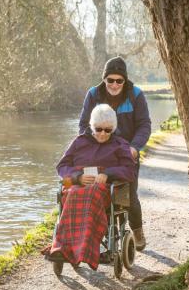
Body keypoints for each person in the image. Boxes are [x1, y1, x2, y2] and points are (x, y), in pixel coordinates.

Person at [43, 104, 135, 270]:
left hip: (104, 188)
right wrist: (77, 178)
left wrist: (108, 173)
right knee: (71, 193)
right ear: (92, 127)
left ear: (113, 129)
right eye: (99, 129)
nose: (102, 134)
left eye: (108, 130)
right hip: (78, 185)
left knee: (92, 192)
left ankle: (84, 249)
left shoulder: (120, 144)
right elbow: (62, 166)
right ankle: (63, 248)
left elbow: (129, 170)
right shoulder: (79, 142)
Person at [78, 56, 151, 251]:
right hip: (99, 155)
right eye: (110, 80)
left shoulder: (136, 95)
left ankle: (137, 231)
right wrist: (88, 148)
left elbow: (144, 125)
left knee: (129, 197)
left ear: (125, 80)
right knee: (99, 195)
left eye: (119, 80)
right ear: (104, 79)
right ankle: (106, 234)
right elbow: (84, 125)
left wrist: (135, 147)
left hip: (126, 155)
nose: (115, 84)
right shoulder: (93, 94)